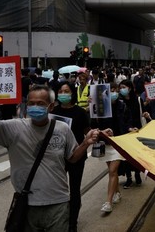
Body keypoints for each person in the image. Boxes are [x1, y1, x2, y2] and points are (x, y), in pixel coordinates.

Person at [0, 84, 99, 232]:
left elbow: (72, 158)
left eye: (40, 104)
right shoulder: (14, 127)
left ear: (51, 107)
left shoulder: (62, 128)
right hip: (27, 205)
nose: (35, 107)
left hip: (58, 204)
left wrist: (85, 143)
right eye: (31, 103)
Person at [51, 81, 91, 231]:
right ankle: (58, 218)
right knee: (58, 189)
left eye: (66, 91)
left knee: (74, 189)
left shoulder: (80, 112)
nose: (63, 94)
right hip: (57, 156)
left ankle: (72, 222)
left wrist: (95, 136)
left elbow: (87, 131)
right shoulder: (53, 111)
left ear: (72, 93)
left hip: (77, 155)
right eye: (60, 91)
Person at [91, 82, 127, 214]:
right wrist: (91, 107)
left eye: (115, 90)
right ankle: (117, 192)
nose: (113, 92)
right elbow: (93, 125)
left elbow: (126, 122)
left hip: (118, 143)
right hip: (105, 144)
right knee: (113, 172)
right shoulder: (99, 107)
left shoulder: (122, 105)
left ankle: (108, 202)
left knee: (112, 171)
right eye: (110, 90)